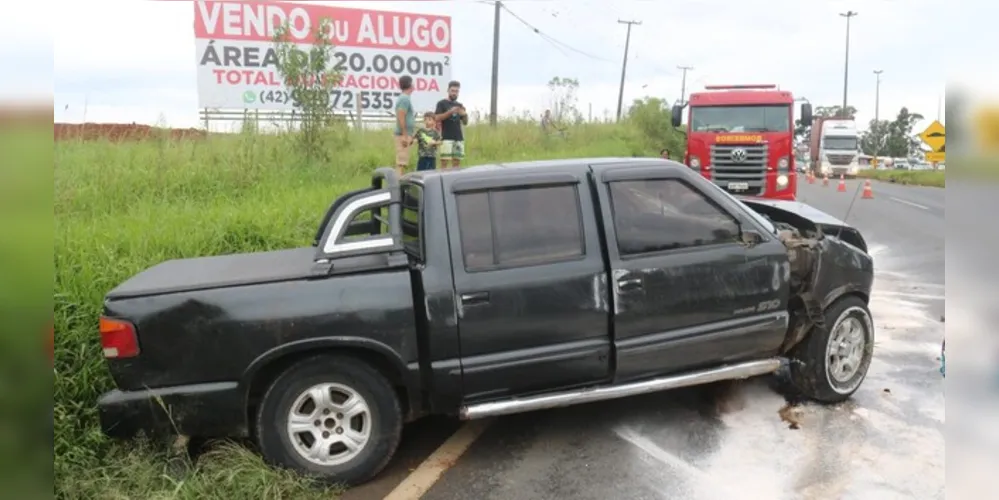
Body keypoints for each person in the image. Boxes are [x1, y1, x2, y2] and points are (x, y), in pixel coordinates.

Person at [435, 80, 468, 168]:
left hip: (458, 137)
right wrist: (450, 112)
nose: (454, 93)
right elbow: (437, 118)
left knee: (457, 162)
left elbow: (465, 123)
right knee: (444, 162)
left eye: (456, 91)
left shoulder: (459, 105)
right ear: (448, 90)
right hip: (446, 137)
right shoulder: (441, 103)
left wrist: (464, 114)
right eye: (452, 91)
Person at [393, 75, 416, 175]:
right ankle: (398, 185)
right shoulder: (404, 99)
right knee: (401, 162)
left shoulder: (406, 98)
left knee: (403, 162)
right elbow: (401, 116)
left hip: (406, 134)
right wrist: (404, 135)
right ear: (410, 84)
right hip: (403, 135)